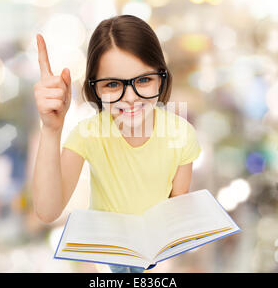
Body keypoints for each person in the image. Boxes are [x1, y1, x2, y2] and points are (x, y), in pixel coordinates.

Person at [32, 14, 202, 273]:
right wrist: (51, 129)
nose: (130, 98)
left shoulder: (181, 135)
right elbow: (47, 211)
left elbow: (176, 215)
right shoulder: (89, 134)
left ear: (161, 78)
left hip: (158, 263)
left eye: (143, 80)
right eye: (112, 84)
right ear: (95, 89)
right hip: (104, 263)